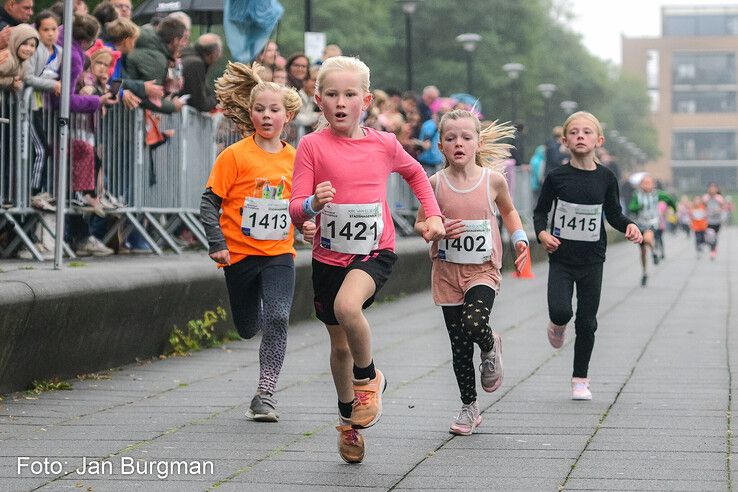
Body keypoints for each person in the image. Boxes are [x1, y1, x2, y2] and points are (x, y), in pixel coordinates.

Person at [288, 56, 445, 464]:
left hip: (375, 250)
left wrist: (432, 215)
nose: (341, 102)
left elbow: (415, 175)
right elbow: (295, 209)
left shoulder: (384, 143)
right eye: (333, 95)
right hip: (328, 255)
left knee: (347, 306)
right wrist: (311, 204)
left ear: (366, 100)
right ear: (319, 101)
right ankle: (349, 423)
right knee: (338, 344)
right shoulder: (311, 146)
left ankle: (368, 377)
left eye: (350, 94)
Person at [200, 61, 310, 423]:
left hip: (279, 253)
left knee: (278, 317)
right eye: (260, 109)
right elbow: (208, 202)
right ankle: (255, 318)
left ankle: (265, 394)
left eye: (274, 110)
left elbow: (300, 206)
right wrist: (216, 241)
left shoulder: (297, 161)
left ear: (287, 116)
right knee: (248, 327)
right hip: (238, 255)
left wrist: (309, 224)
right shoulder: (234, 155)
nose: (267, 116)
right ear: (250, 114)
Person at [415, 110, 528, 436]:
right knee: (459, 346)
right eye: (450, 138)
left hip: (482, 270)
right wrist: (432, 230)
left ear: (478, 142)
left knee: (473, 323)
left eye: (466, 137)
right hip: (447, 272)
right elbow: (421, 222)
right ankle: (469, 407)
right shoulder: (434, 183)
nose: (458, 143)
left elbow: (508, 210)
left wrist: (518, 237)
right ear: (440, 145)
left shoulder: (492, 180)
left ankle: (490, 344)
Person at [533, 111, 642, 401]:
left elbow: (614, 213)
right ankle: (556, 326)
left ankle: (580, 378)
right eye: (574, 132)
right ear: (565, 140)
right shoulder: (556, 177)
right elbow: (540, 211)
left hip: (593, 259)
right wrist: (542, 234)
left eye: (587, 132)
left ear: (599, 140)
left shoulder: (606, 177)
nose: (580, 136)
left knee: (586, 321)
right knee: (561, 311)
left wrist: (631, 225)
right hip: (561, 257)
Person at [25, 10, 61, 212]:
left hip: (40, 106)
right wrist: (53, 84)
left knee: (43, 149)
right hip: (26, 106)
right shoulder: (34, 48)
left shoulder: (60, 51)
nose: (50, 33)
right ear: (37, 30)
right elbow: (29, 77)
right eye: (45, 29)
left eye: (54, 29)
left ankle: (37, 191)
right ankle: (33, 192)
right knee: (41, 149)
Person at [627, 174, 675, 286]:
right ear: (640, 185)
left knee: (647, 238)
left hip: (653, 222)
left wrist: (674, 209)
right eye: (644, 183)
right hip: (640, 224)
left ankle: (654, 252)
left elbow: (669, 199)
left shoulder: (657, 194)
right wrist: (639, 207)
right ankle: (644, 273)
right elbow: (631, 208)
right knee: (643, 251)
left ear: (653, 184)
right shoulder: (637, 195)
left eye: (649, 183)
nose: (647, 185)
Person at [180, 33, 222, 112]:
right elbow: (201, 104)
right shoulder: (196, 65)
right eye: (219, 51)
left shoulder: (185, 57)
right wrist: (220, 97)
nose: (220, 56)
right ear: (214, 53)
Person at [0, 22, 37, 89]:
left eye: (32, 45)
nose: (28, 49)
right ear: (16, 42)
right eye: (24, 44)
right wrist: (11, 81)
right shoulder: (7, 58)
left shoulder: (23, 62)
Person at [703, 182, 727, 260]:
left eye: (714, 188)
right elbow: (702, 206)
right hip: (708, 220)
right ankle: (712, 249)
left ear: (716, 189)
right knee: (710, 236)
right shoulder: (705, 198)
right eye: (711, 188)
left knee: (715, 236)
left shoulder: (719, 198)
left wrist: (719, 210)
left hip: (717, 220)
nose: (712, 189)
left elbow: (723, 207)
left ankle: (713, 250)